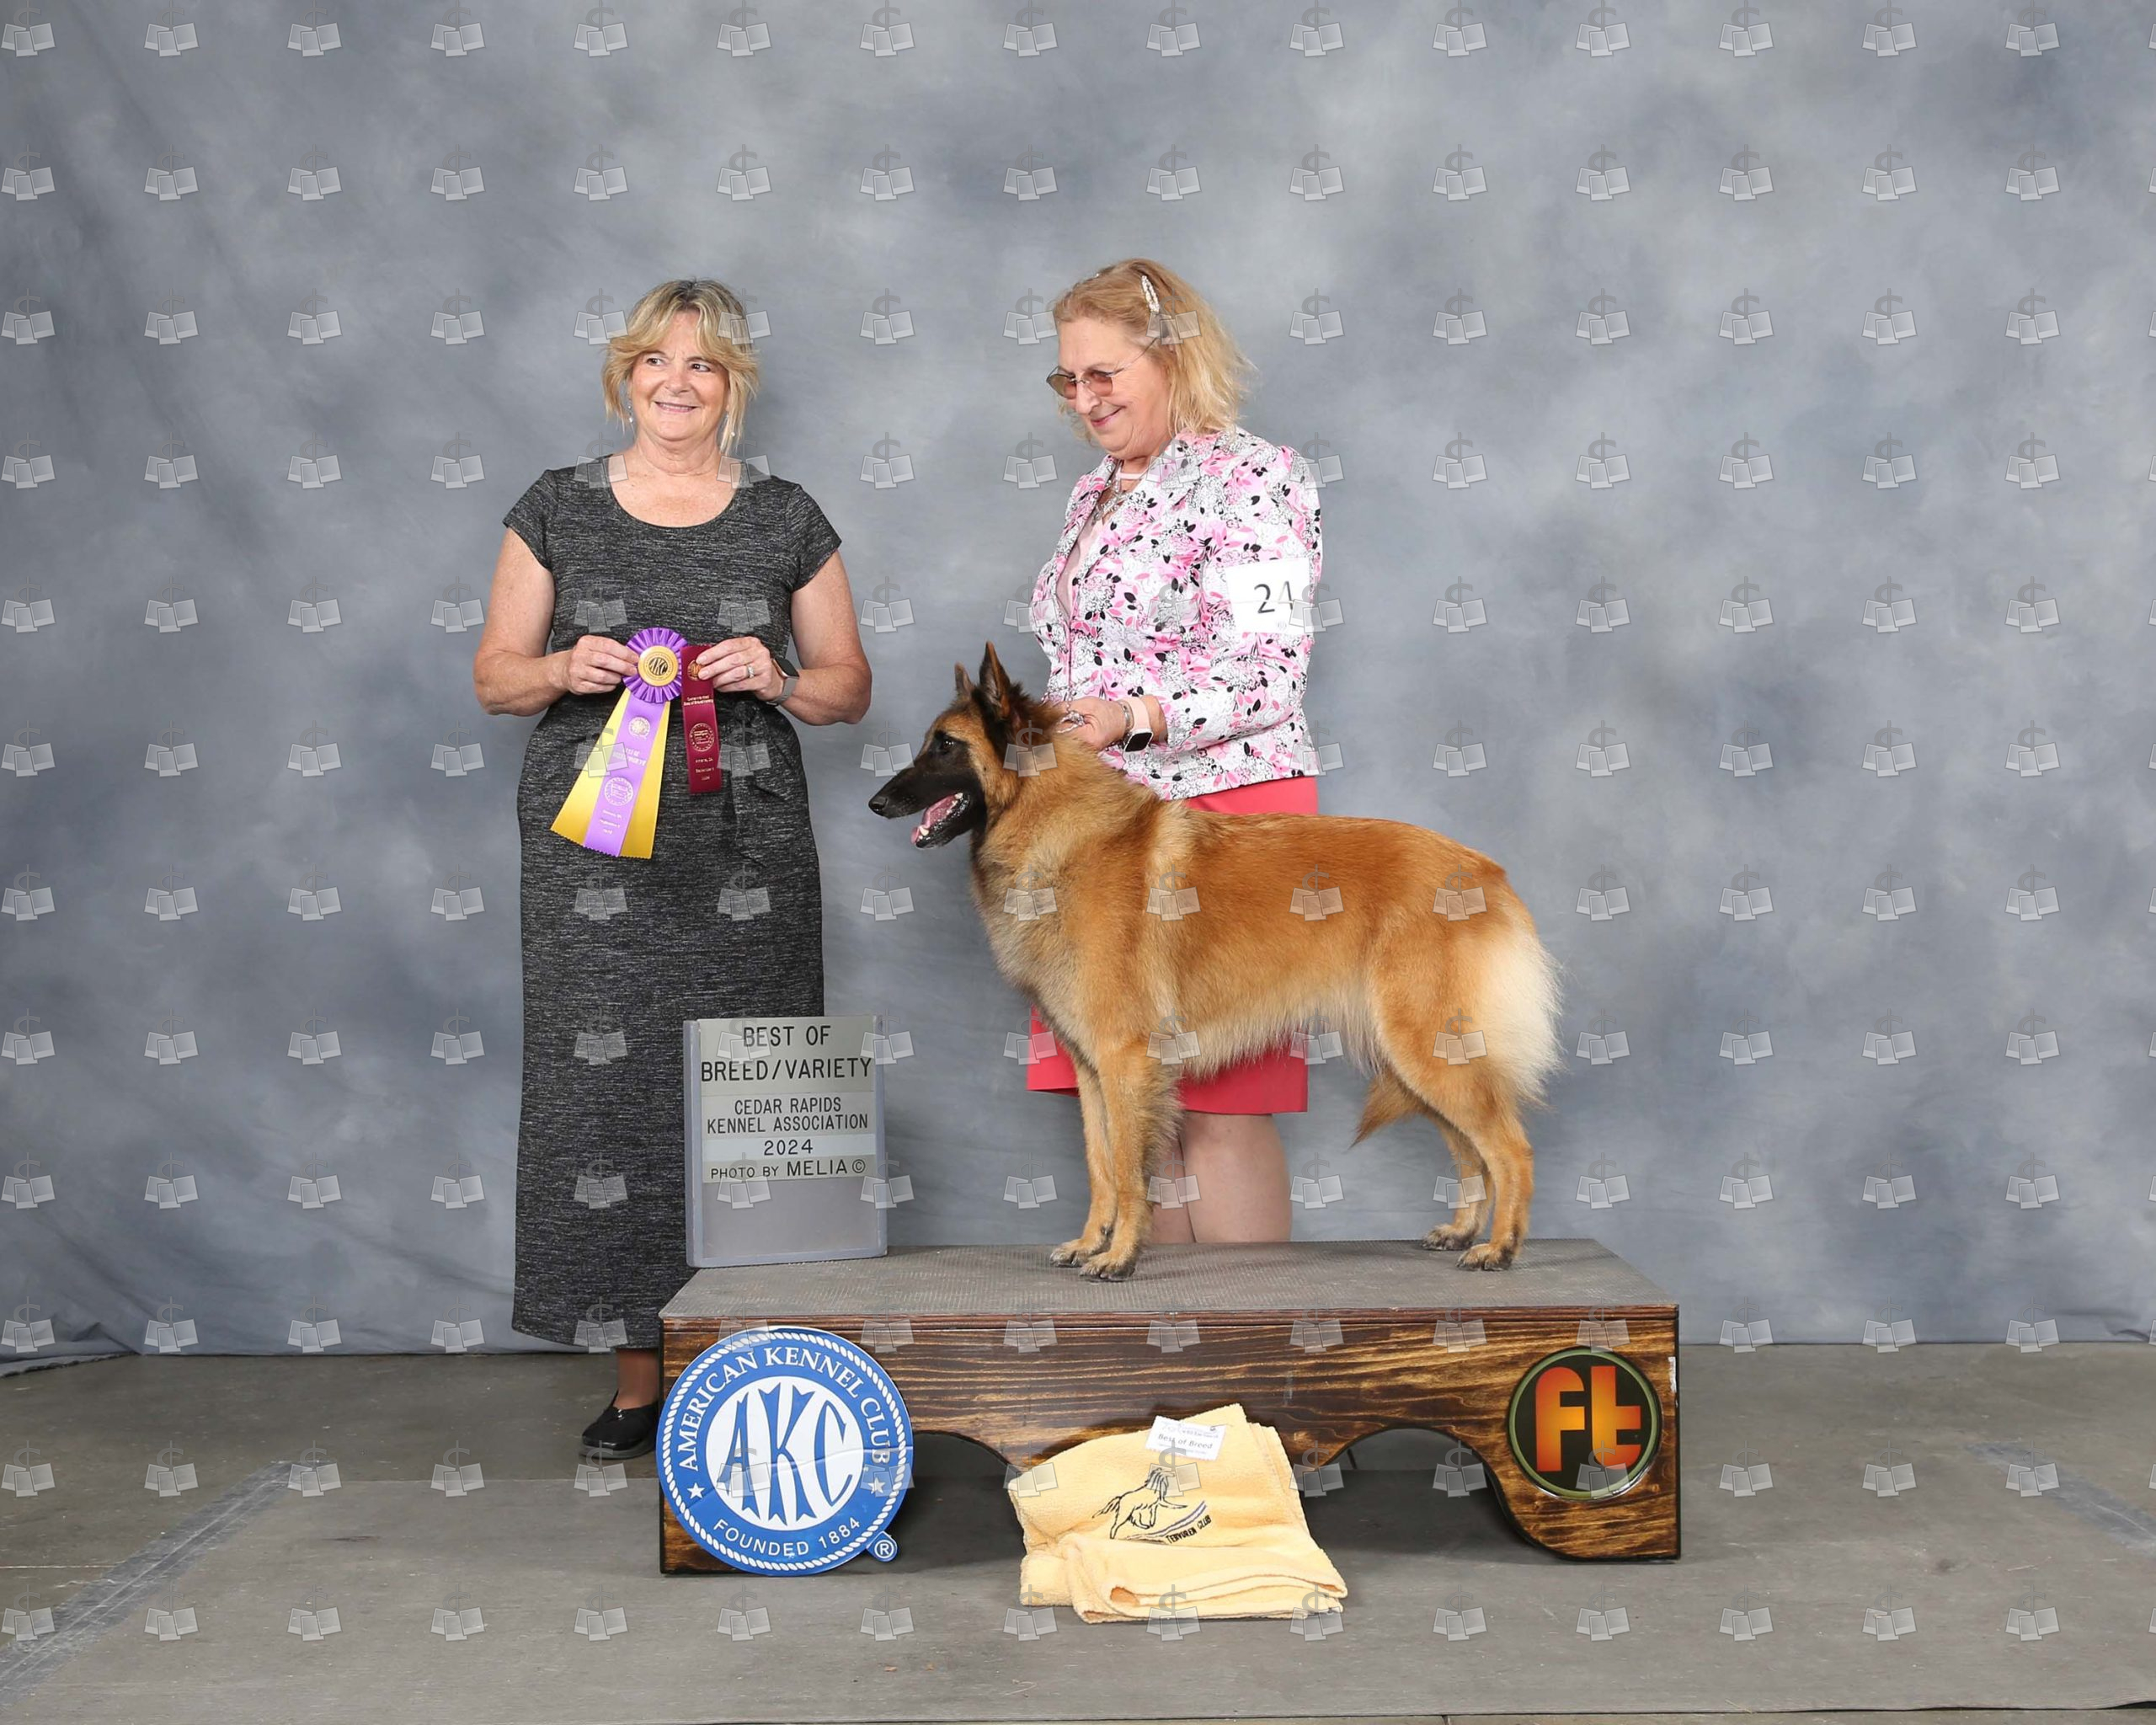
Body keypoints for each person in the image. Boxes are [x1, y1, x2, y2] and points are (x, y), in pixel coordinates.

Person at [473, 278, 870, 1461]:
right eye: (656, 360)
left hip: (748, 846)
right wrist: (563, 669)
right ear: (626, 376)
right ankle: (640, 1379)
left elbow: (849, 688)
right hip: (594, 853)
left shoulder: (788, 516)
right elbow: (494, 676)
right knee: (609, 1099)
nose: (677, 382)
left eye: (701, 363)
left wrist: (781, 680)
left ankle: (759, 1364)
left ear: (731, 383)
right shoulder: (555, 506)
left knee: (755, 1086)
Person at [1023, 257, 1325, 1244]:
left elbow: (1270, 675)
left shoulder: (1255, 477)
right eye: (1069, 378)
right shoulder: (1093, 492)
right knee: (1131, 1101)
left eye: (1104, 374)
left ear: (1172, 357)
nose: (1085, 399)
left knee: (1222, 1109)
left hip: (1225, 817)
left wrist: (1133, 713)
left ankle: (1249, 1343)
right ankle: (1160, 1346)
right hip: (1100, 827)